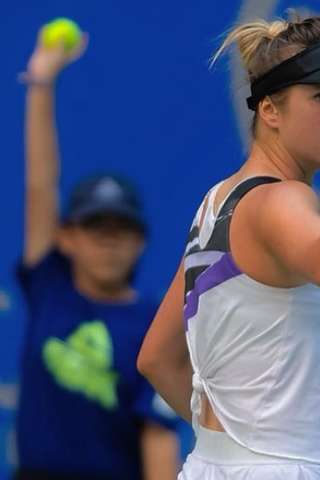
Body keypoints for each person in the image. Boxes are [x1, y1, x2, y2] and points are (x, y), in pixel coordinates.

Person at [137, 13, 320, 479]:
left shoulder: (217, 203)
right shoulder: (280, 199)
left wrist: (241, 444)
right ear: (270, 111)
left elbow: (156, 358)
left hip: (207, 466)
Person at [16, 26, 179, 479]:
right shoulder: (50, 286)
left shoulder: (154, 327)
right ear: (66, 237)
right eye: (95, 227)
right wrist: (41, 82)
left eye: (121, 229)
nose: (109, 239)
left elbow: (159, 437)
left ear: (141, 242)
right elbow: (40, 184)